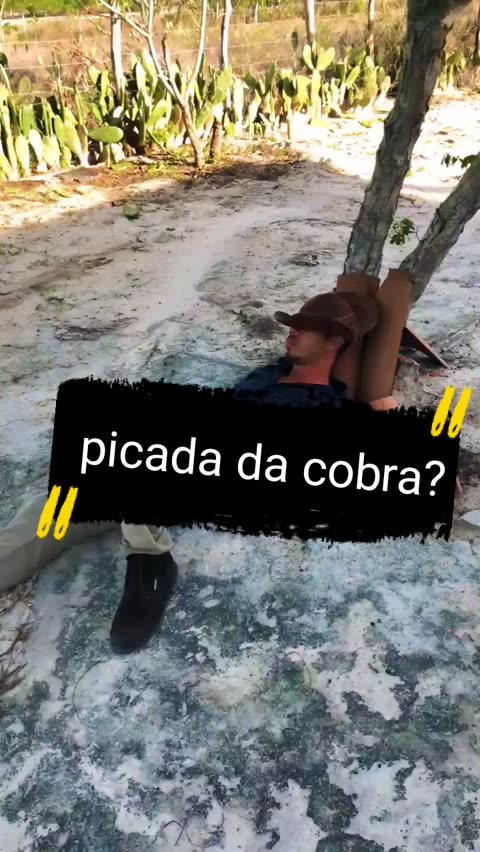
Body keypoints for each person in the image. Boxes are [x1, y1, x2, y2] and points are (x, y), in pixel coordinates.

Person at [0, 292, 376, 654]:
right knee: (48, 511)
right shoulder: (272, 372)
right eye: (294, 324)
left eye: (305, 328)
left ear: (334, 342)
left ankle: (151, 563)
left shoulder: (324, 405)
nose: (291, 332)